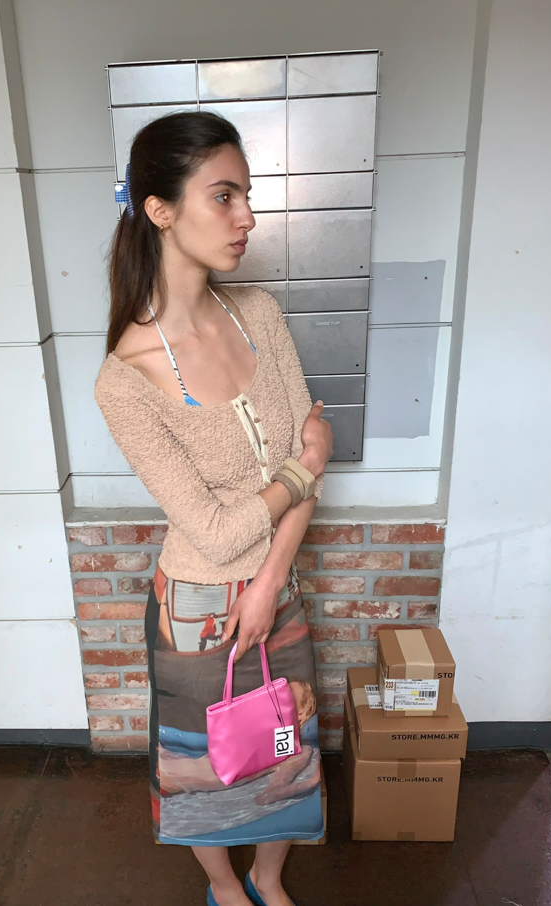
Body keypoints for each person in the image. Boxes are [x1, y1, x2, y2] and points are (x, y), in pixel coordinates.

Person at [94, 110, 333, 906]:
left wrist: (269, 583)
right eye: (224, 196)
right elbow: (220, 527)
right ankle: (227, 889)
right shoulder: (125, 378)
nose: (247, 218)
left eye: (247, 196)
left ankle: (269, 877)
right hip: (196, 610)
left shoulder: (258, 313)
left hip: (277, 589)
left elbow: (304, 464)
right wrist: (303, 469)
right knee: (205, 768)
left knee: (286, 747)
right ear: (160, 209)